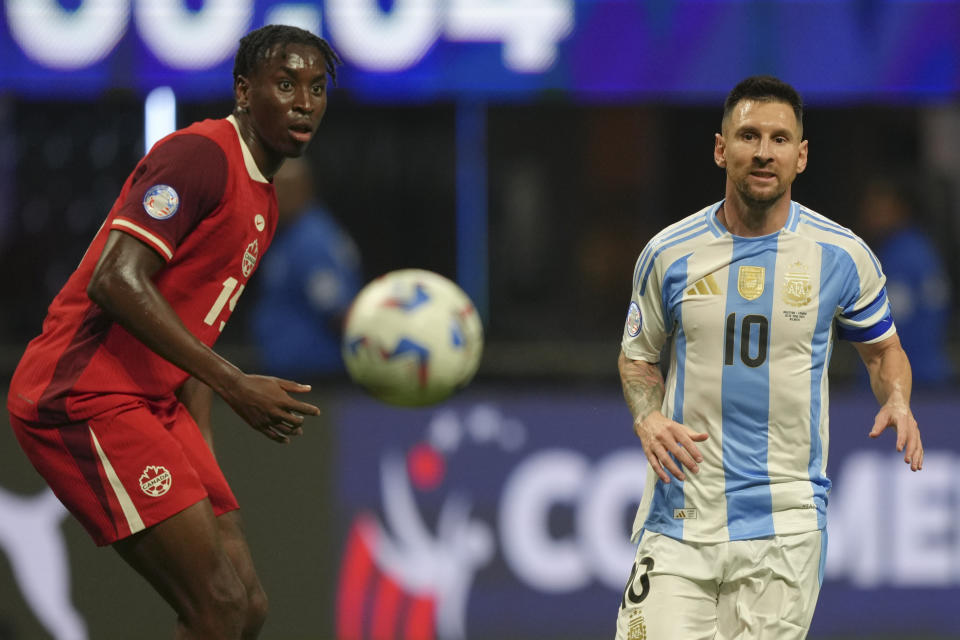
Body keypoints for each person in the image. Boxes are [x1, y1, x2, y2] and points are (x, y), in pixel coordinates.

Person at [6, 24, 341, 639]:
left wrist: (202, 462)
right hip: (80, 396)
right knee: (218, 605)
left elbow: (194, 335)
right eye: (286, 83)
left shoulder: (265, 200)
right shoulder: (200, 157)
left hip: (154, 402)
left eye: (317, 88)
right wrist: (237, 386)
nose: (304, 102)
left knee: (245, 605)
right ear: (244, 90)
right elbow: (115, 280)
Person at [616, 76, 923, 640]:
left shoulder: (841, 256)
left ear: (800, 155)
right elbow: (638, 358)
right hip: (679, 518)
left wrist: (898, 398)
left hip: (785, 527)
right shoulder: (668, 254)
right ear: (720, 148)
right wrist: (648, 417)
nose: (763, 151)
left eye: (780, 139)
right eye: (748, 136)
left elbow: (883, 352)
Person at [251, 156, 363, 379]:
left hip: (315, 377)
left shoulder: (312, 240)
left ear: (305, 189)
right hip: (288, 372)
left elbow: (340, 312)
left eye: (285, 189)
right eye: (272, 188)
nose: (276, 196)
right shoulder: (287, 233)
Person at [856, 178, 954, 387]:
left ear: (899, 209)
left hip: (906, 380)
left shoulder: (901, 255)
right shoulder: (922, 247)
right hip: (930, 375)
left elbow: (891, 324)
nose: (869, 213)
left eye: (878, 206)